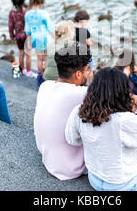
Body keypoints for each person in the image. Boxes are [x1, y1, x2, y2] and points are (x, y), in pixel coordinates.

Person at [65, 67, 137, 191]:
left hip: (94, 179)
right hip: (124, 185)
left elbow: (72, 140)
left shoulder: (79, 111)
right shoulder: (123, 121)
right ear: (123, 91)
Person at [34, 41, 92, 180]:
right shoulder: (83, 94)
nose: (89, 73)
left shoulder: (45, 86)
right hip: (72, 167)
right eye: (87, 70)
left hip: (48, 159)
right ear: (78, 74)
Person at [24, 0, 54, 86]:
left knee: (39, 59)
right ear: (40, 2)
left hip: (35, 39)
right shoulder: (43, 13)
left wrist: (29, 38)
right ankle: (47, 78)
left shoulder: (27, 14)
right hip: (45, 39)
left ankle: (41, 76)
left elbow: (27, 29)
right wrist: (55, 38)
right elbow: (49, 27)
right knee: (46, 59)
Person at [8, 0, 32, 76]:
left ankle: (23, 70)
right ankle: (29, 72)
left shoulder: (12, 13)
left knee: (21, 53)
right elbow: (30, 23)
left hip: (18, 36)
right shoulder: (26, 11)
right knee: (28, 54)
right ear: (23, 0)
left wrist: (12, 35)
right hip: (27, 35)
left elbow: (10, 25)